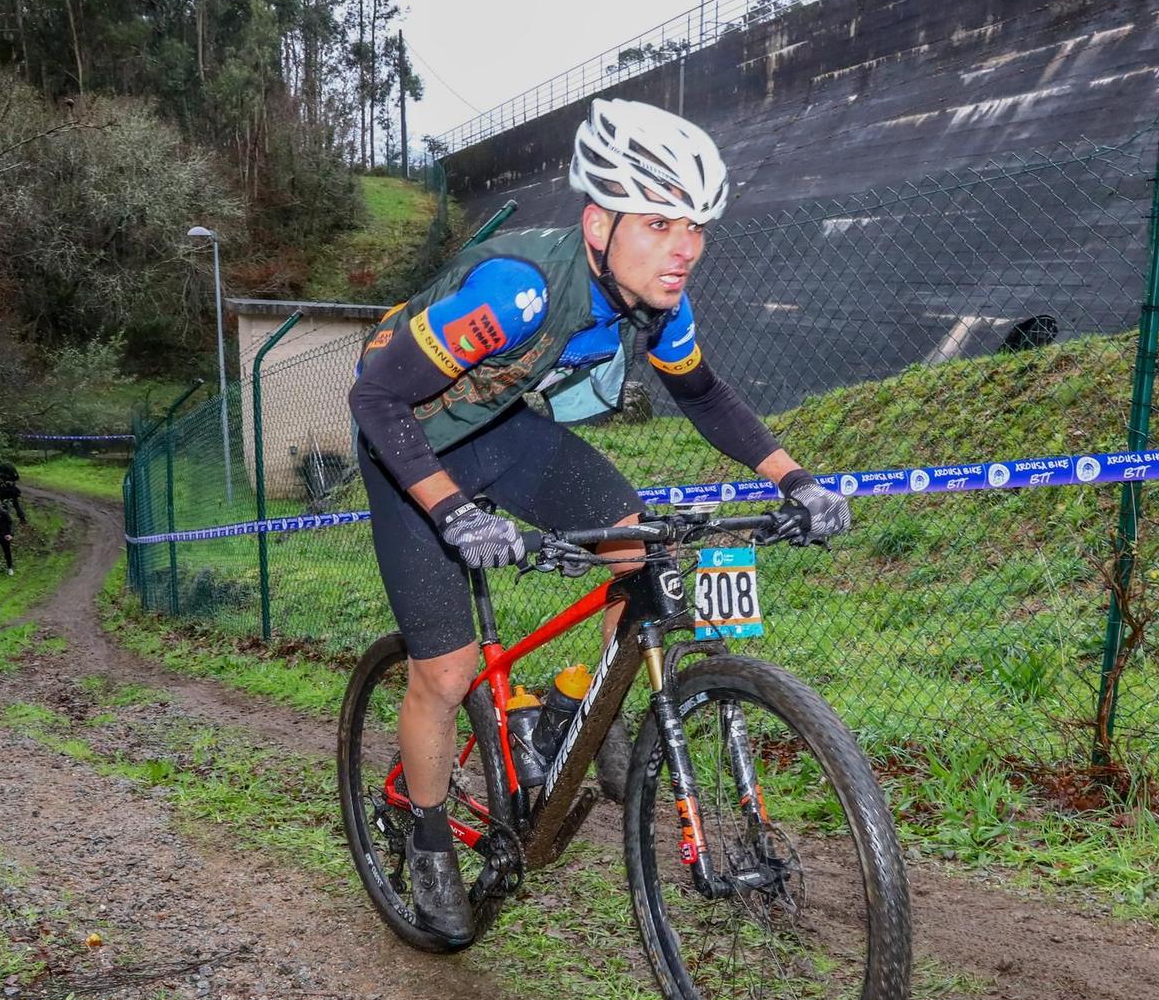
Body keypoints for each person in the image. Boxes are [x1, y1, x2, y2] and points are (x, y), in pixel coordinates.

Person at [347, 98, 851, 946]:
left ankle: (575, 719)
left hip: (501, 432)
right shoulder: (521, 292)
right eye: (659, 222)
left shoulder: (657, 305)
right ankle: (428, 840)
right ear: (598, 222)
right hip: (412, 447)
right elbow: (376, 396)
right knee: (449, 668)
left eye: (694, 226)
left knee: (638, 543)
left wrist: (796, 478)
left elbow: (703, 395)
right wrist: (452, 512)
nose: (684, 246)